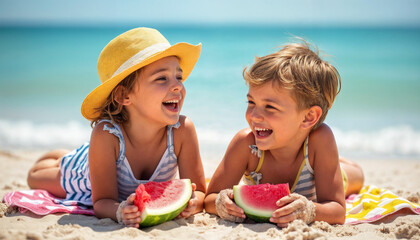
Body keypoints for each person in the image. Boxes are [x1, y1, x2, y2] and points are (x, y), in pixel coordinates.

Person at [27, 27, 206, 228]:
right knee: (34, 177)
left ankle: (74, 154)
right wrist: (118, 210)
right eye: (161, 78)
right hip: (84, 173)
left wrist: (193, 203)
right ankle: (64, 158)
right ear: (124, 96)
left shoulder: (183, 130)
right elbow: (101, 202)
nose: (178, 86)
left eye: (179, 77)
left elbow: (199, 191)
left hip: (100, 156)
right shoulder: (106, 135)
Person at [204, 40, 364, 227]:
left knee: (355, 175)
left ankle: (342, 165)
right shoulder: (246, 144)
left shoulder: (319, 140)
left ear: (308, 117)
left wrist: (310, 209)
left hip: (333, 173)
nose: (254, 116)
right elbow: (209, 199)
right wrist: (221, 203)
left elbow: (337, 211)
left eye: (270, 107)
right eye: (251, 102)